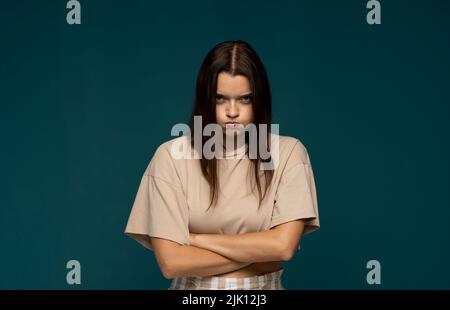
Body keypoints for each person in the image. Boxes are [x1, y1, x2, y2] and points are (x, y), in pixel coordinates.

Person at [124, 40, 320, 290]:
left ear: (260, 100)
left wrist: (196, 240)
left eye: (245, 99)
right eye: (220, 99)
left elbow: (283, 247)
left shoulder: (289, 152)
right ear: (204, 98)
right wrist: (260, 254)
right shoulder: (171, 156)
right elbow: (171, 263)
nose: (232, 111)